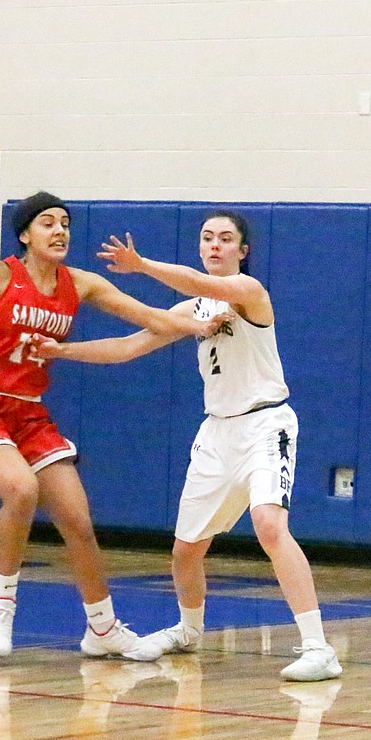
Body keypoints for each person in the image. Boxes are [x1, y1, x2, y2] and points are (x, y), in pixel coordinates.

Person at [33, 211, 341, 682]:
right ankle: (189, 631)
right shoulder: (192, 310)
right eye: (206, 238)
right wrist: (61, 351)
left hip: (264, 425)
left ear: (243, 251)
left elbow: (198, 281)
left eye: (225, 239)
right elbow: (128, 346)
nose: (215, 245)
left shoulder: (250, 293)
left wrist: (141, 265)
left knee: (269, 525)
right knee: (185, 550)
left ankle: (319, 648)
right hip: (217, 432)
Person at [0, 191, 222, 661]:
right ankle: (1, 605)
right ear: (24, 234)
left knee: (78, 520)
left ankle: (102, 629)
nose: (59, 230)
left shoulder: (80, 283)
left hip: (29, 412)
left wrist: (198, 325)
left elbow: (148, 318)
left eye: (64, 223)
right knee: (21, 491)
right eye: (47, 223)